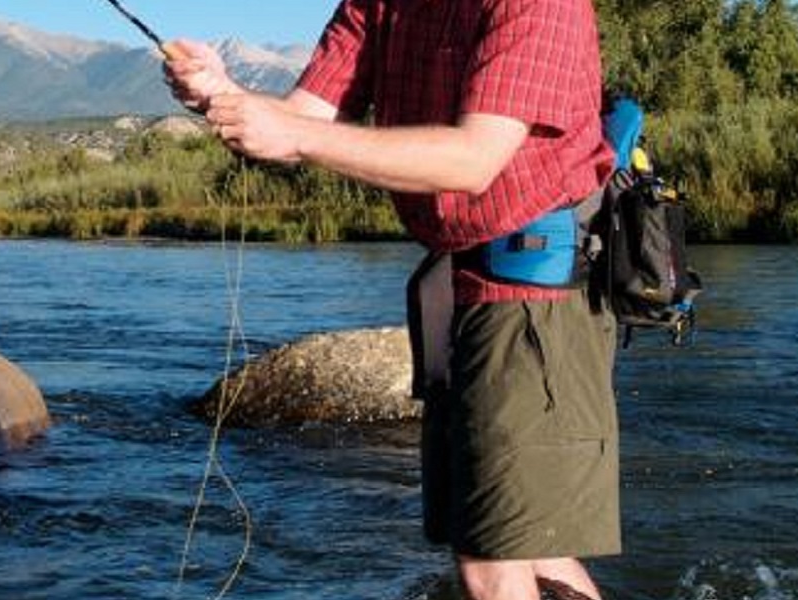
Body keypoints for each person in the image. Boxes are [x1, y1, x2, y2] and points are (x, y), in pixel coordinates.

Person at [163, 1, 619, 599]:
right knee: (527, 544)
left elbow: (471, 160)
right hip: (462, 291)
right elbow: (302, 119)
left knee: (491, 559)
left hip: (536, 296)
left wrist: (294, 133)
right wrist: (221, 95)